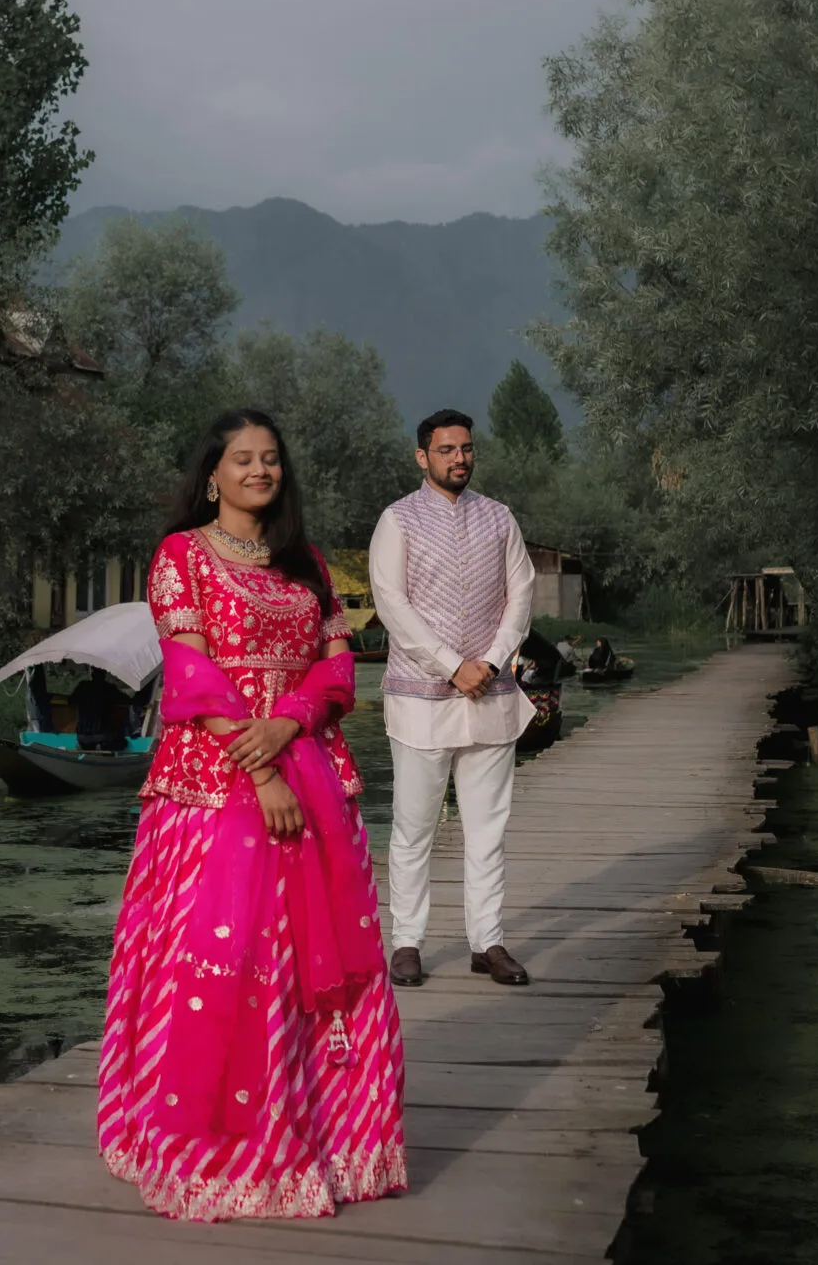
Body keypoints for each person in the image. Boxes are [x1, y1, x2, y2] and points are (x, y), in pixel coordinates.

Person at [97, 410, 407, 1221]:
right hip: (213, 782)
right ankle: (221, 1152)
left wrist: (289, 723)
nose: (260, 470)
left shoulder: (306, 561)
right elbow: (190, 672)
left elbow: (337, 668)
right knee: (226, 959)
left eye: (270, 458)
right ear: (213, 474)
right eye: (243, 459)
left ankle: (331, 1140)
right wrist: (262, 766)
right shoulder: (181, 555)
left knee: (314, 959)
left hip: (312, 772)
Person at [368, 408, 538, 989]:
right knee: (413, 829)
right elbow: (392, 604)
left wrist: (489, 662)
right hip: (421, 701)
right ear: (423, 456)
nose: (459, 458)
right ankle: (407, 943)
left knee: (487, 830)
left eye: (465, 448)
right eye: (446, 450)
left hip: (491, 693)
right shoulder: (399, 520)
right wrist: (450, 666)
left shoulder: (500, 517)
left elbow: (521, 596)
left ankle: (487, 942)